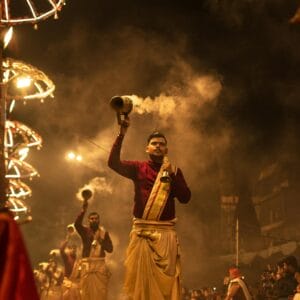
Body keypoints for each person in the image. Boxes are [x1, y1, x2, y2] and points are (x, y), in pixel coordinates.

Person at [108, 115, 191, 300]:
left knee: (165, 291)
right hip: (142, 236)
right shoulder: (138, 168)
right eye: (154, 143)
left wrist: (171, 174)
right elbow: (113, 163)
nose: (158, 146)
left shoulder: (174, 170)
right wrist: (121, 134)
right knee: (142, 289)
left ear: (166, 148)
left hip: (166, 238)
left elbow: (185, 198)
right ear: (147, 148)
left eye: (162, 143)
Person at [74, 189, 113, 300]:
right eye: (91, 219)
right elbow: (76, 224)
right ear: (88, 220)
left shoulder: (104, 234)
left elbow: (110, 249)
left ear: (99, 220)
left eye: (96, 219)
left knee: (100, 293)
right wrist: (83, 209)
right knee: (85, 293)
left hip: (100, 267)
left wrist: (101, 242)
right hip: (87, 266)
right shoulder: (84, 231)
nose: (94, 220)